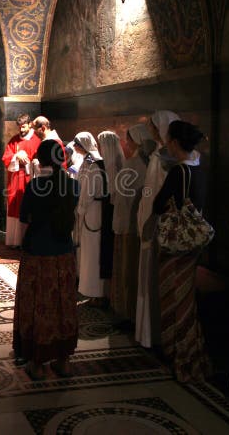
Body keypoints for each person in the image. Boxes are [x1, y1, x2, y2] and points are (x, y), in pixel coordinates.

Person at [13, 139, 80, 380]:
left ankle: (37, 364)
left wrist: (22, 246)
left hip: (38, 252)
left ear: (40, 160)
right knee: (63, 304)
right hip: (64, 252)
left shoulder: (34, 186)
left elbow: (24, 221)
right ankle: (63, 361)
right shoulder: (74, 186)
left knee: (38, 305)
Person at [152, 120, 211, 382]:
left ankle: (180, 356)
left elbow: (157, 204)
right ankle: (192, 354)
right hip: (194, 241)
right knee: (187, 297)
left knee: (173, 297)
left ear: (175, 142)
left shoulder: (178, 172)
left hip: (176, 242)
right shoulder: (200, 168)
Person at [135, 110, 182, 348]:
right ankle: (148, 331)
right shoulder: (157, 156)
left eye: (155, 126)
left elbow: (156, 193)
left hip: (158, 222)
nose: (152, 131)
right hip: (150, 218)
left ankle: (155, 333)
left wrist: (148, 214)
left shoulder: (165, 160)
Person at [98, 129, 137, 321]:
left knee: (111, 251)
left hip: (114, 213)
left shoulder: (117, 165)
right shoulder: (108, 164)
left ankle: (111, 296)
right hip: (110, 212)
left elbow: (116, 194)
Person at [73, 132, 113, 306]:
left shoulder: (94, 164)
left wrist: (79, 209)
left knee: (93, 252)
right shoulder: (91, 161)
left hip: (92, 210)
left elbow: (87, 189)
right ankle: (92, 291)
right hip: (95, 209)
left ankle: (95, 292)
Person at [2, 114, 40, 248]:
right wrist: (16, 156)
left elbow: (40, 162)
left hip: (29, 178)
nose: (21, 130)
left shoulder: (36, 141)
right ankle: (14, 241)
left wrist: (30, 162)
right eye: (19, 127)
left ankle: (26, 241)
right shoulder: (14, 140)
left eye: (23, 126)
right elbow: (6, 158)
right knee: (14, 206)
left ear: (30, 124)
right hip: (15, 178)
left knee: (27, 207)